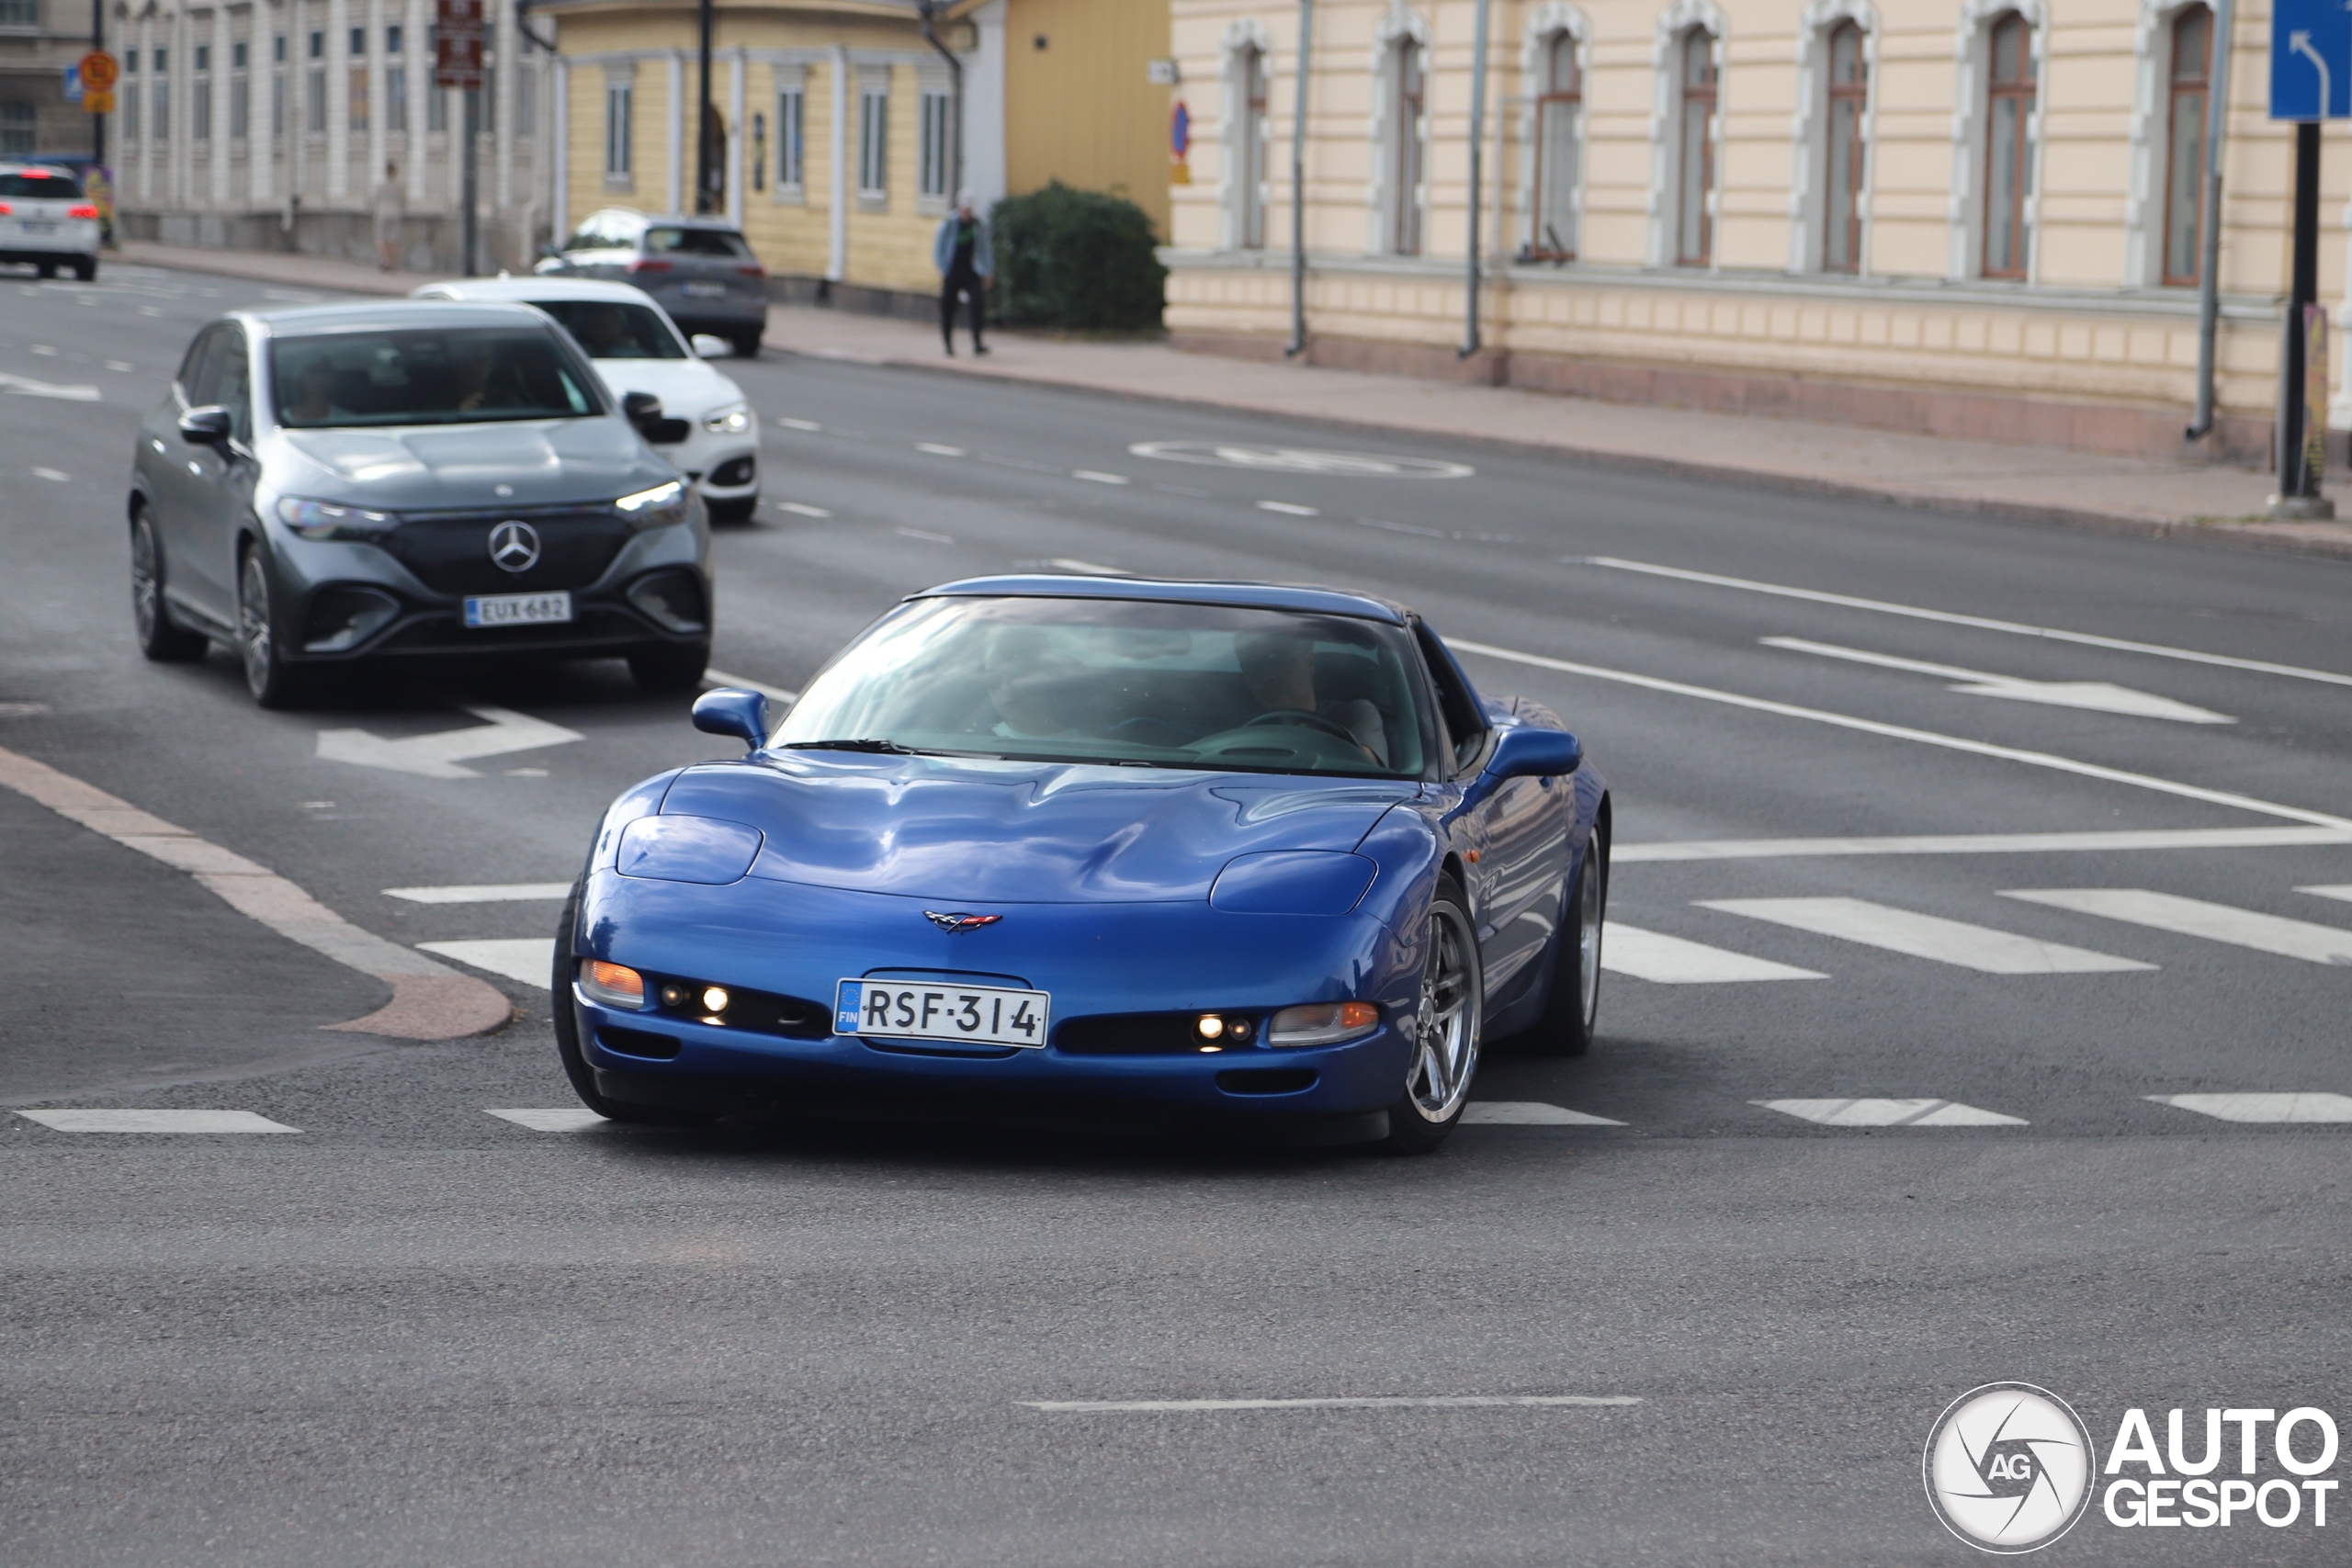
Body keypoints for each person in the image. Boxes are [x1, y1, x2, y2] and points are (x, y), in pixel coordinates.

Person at [1236, 632, 1388, 765]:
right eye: (1253, 666)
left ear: (1310, 662)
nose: (1269, 676)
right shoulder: (1231, 726)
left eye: (1279, 659)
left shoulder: (1355, 715)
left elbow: (1367, 772)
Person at [932, 193, 992, 357]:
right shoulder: (949, 224)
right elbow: (938, 249)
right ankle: (948, 344)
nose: (967, 214)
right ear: (959, 208)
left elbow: (984, 249)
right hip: (952, 271)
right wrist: (944, 269)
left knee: (978, 304)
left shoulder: (977, 225)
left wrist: (988, 270)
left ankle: (977, 343)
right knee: (948, 308)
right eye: (965, 210)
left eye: (970, 210)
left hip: (971, 271)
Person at [373, 162, 404, 272]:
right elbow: (403, 200)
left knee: (381, 238)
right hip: (396, 212)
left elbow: (375, 199)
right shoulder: (400, 185)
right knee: (393, 239)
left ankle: (385, 260)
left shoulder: (380, 184)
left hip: (383, 212)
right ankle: (393, 263)